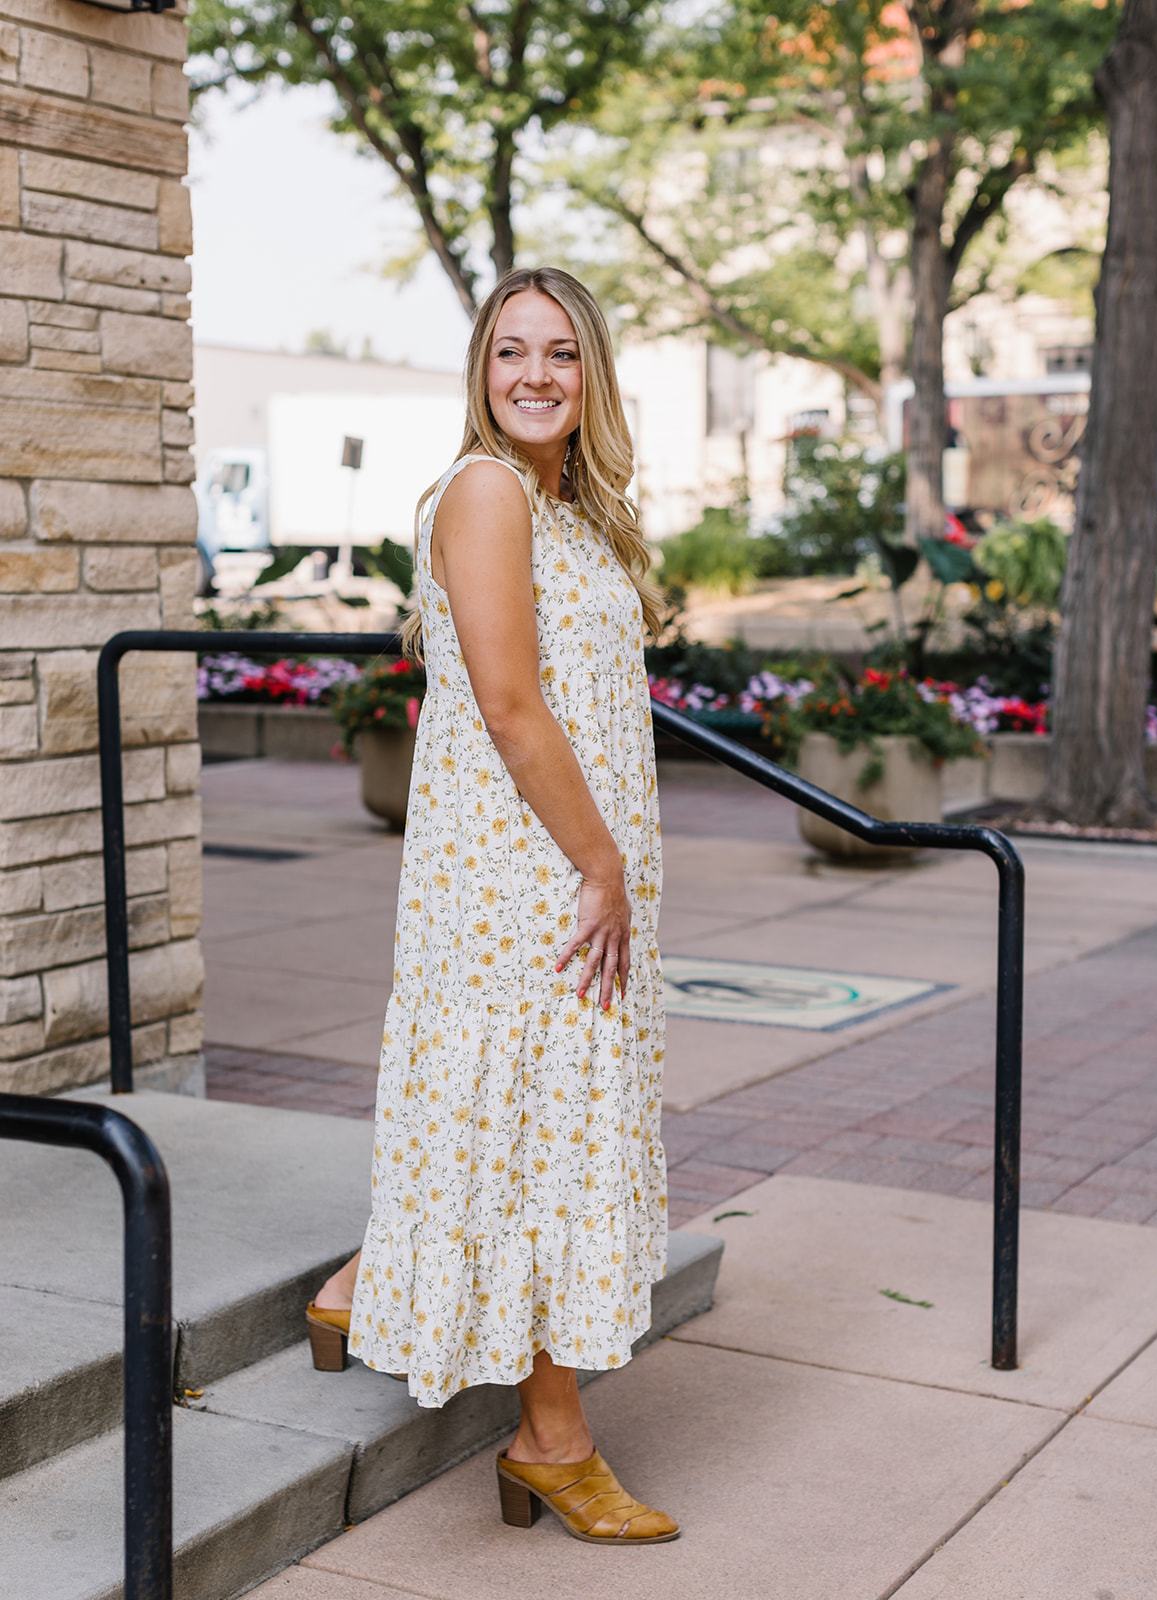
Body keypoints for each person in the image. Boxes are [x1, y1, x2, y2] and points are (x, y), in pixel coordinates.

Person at [304, 266, 677, 1545]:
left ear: (592, 375)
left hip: (567, 867)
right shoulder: (482, 490)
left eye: (560, 353)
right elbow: (512, 706)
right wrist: (603, 866)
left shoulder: (572, 510)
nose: (534, 373)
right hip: (525, 877)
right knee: (534, 1141)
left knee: (528, 1132)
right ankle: (551, 1439)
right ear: (480, 368)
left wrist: (612, 860)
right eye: (510, 349)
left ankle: (373, 1287)